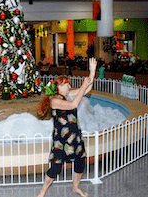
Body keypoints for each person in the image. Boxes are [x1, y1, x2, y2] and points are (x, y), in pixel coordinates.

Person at [37, 57, 97, 197]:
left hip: (75, 135)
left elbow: (87, 89)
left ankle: (75, 187)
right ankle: (43, 191)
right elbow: (73, 105)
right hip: (61, 140)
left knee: (80, 161)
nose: (69, 86)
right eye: (67, 84)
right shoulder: (54, 101)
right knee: (56, 167)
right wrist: (82, 87)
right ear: (59, 87)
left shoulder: (68, 95)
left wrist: (92, 72)